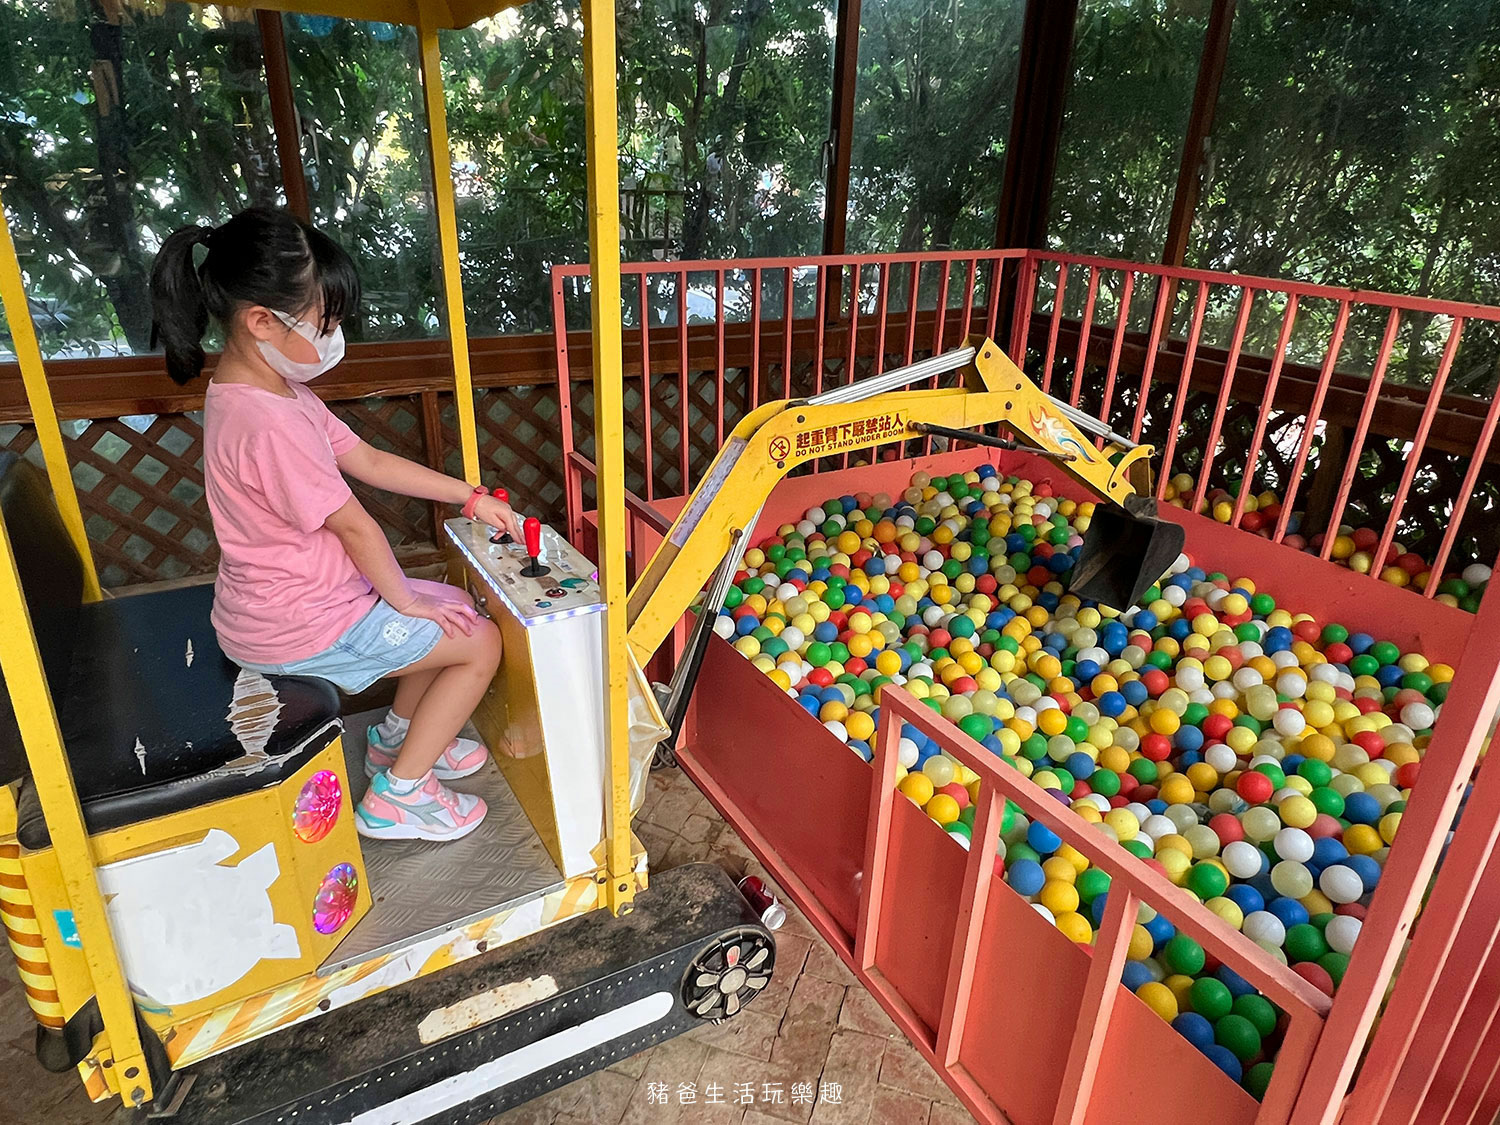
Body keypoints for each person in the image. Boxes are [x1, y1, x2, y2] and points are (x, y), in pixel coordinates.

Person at [150, 207, 518, 843]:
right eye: (327, 323)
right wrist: (404, 600)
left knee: (452, 605)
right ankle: (398, 795)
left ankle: (398, 741)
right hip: (295, 624)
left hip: (297, 600)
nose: (334, 336)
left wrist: (469, 497)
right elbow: (354, 527)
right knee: (478, 643)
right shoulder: (268, 423)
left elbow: (369, 461)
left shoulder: (271, 390)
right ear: (261, 320)